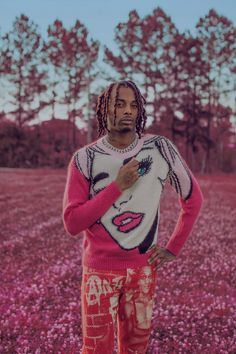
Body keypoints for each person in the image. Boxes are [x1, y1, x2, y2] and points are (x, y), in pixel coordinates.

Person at [62, 80, 204, 353]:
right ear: (104, 111)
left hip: (142, 271)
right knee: (95, 350)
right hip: (98, 273)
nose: (128, 110)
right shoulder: (85, 158)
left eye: (133, 104)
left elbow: (193, 199)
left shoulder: (160, 149)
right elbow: (72, 223)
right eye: (119, 104)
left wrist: (173, 248)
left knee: (136, 350)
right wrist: (117, 187)